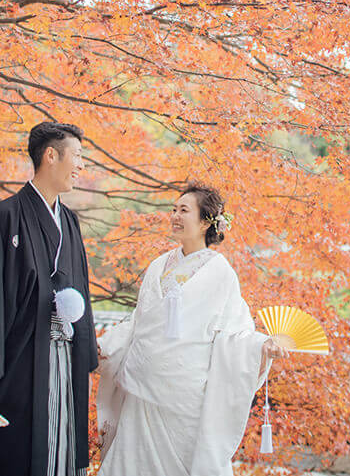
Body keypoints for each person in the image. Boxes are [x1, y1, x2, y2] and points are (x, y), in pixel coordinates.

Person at [95, 182, 283, 476]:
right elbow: (138, 322)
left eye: (184, 210)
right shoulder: (159, 265)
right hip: (142, 388)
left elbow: (233, 333)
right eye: (173, 209)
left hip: (184, 397)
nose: (175, 216)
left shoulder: (221, 272)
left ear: (206, 221)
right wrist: (107, 346)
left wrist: (261, 346)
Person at [0, 121, 97, 476]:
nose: (81, 165)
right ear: (50, 155)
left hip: (63, 360)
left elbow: (82, 294)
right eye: (77, 156)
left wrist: (89, 353)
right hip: (16, 363)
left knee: (59, 451)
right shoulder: (4, 218)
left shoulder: (69, 222)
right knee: (9, 453)